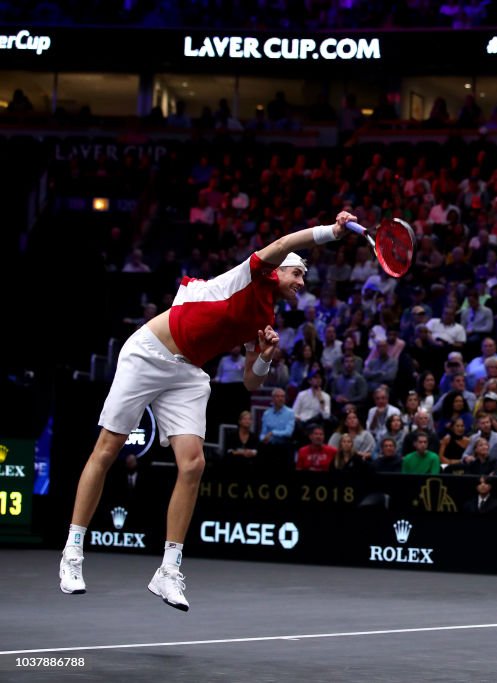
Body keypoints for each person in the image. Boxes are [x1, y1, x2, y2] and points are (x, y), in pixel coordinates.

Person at [59, 210, 359, 610]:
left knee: (193, 465)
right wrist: (332, 232)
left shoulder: (266, 318)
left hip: (188, 373)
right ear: (277, 272)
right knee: (108, 447)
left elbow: (252, 383)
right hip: (148, 353)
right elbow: (287, 243)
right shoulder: (250, 273)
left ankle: (168, 570)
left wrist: (266, 357)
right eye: (298, 275)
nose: (302, 283)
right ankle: (73, 551)